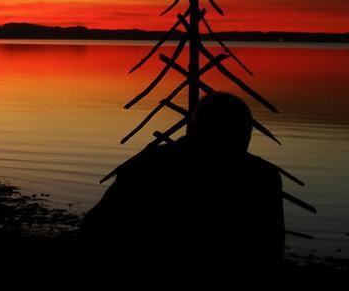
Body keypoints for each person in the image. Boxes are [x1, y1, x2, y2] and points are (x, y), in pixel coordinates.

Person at [80, 91, 284, 275]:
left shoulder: (148, 165)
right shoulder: (263, 177)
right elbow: (272, 249)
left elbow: (93, 228)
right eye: (237, 134)